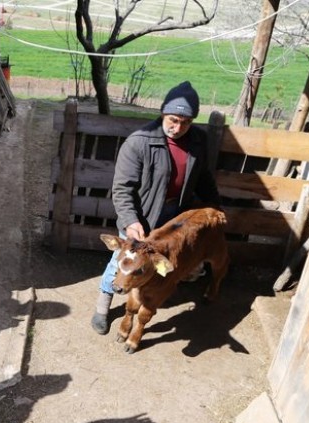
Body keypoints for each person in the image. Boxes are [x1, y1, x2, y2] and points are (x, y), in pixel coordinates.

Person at [91, 81, 221, 335]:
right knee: (123, 261)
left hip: (173, 215)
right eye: (173, 119)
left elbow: (203, 177)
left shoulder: (197, 141)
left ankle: (146, 300)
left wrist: (214, 205)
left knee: (159, 263)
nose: (178, 127)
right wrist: (130, 220)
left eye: (185, 122)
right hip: (141, 216)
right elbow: (122, 188)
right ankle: (103, 306)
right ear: (162, 113)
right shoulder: (139, 142)